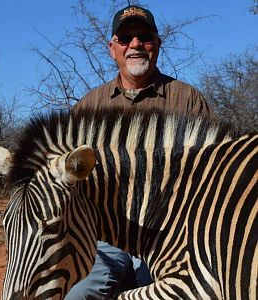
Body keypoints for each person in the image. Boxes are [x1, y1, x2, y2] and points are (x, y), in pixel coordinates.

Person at [66, 4, 213, 300]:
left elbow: (212, 176)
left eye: (145, 37)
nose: (135, 45)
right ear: (112, 48)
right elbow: (70, 179)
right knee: (78, 294)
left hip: (171, 235)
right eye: (125, 38)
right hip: (106, 236)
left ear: (157, 44)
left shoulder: (188, 100)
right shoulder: (89, 106)